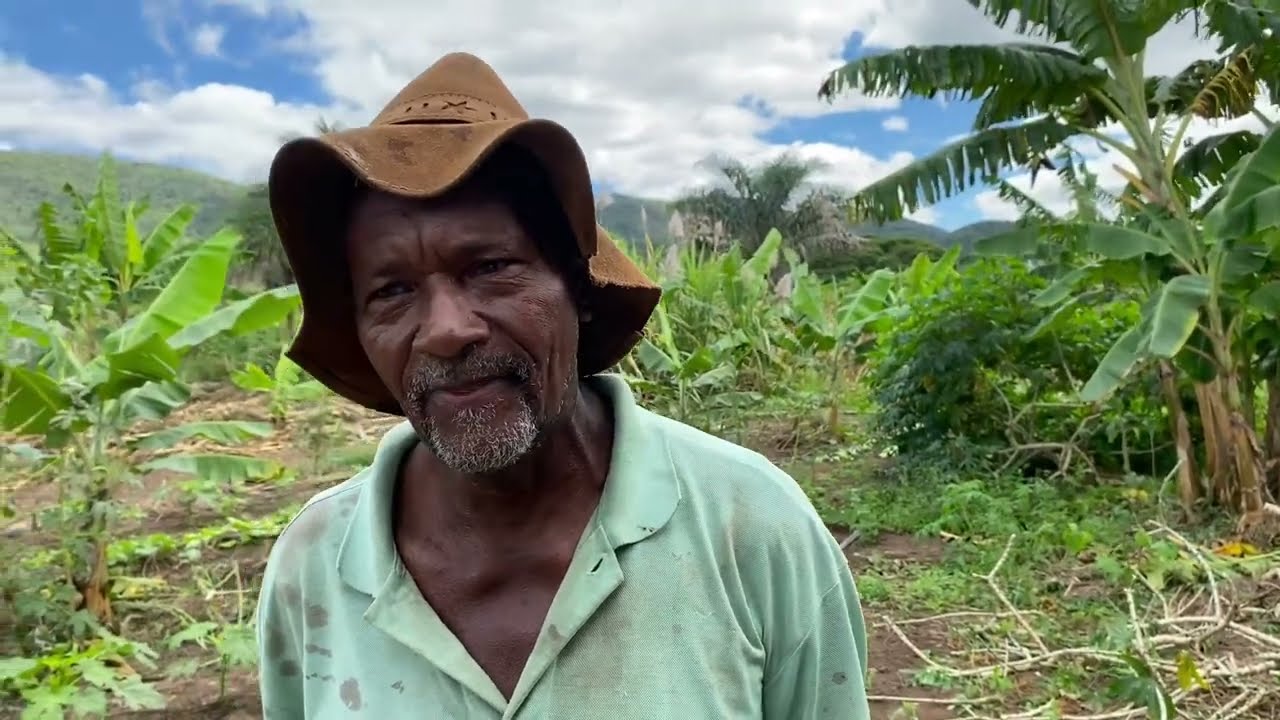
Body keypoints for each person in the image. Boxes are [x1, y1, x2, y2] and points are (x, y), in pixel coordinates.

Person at [255, 51, 871, 719]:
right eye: (393, 291)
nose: (445, 330)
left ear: (577, 288)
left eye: (490, 267)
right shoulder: (312, 568)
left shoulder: (752, 529)